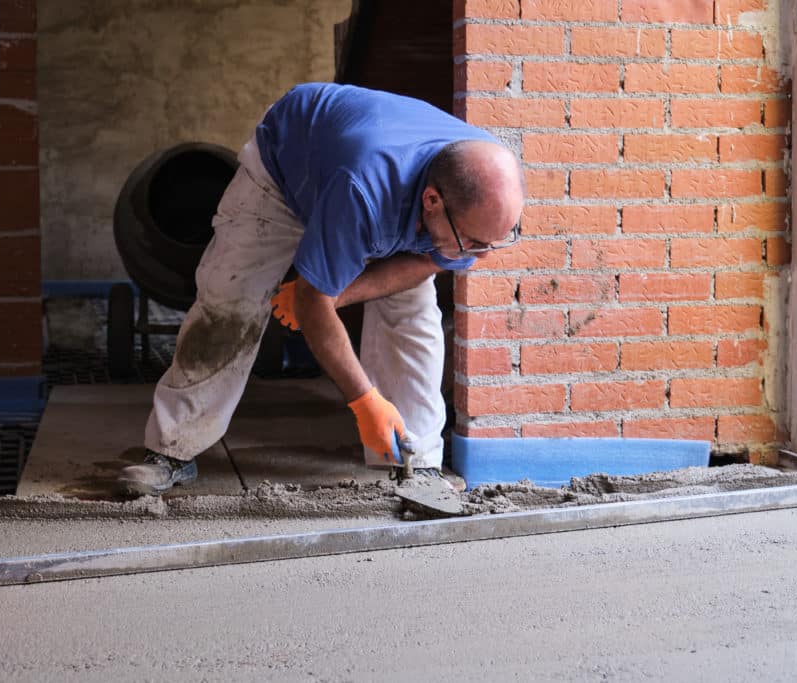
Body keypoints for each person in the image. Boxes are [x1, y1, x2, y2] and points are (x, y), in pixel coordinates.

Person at [118, 82, 525, 496]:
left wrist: (338, 295)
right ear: (432, 201)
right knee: (230, 302)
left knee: (414, 315)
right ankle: (171, 450)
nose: (481, 255)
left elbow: (425, 262)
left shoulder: (481, 195)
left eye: (492, 241)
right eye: (473, 243)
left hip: (379, 190)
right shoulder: (365, 187)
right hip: (284, 173)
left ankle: (415, 463)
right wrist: (363, 400)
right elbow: (314, 304)